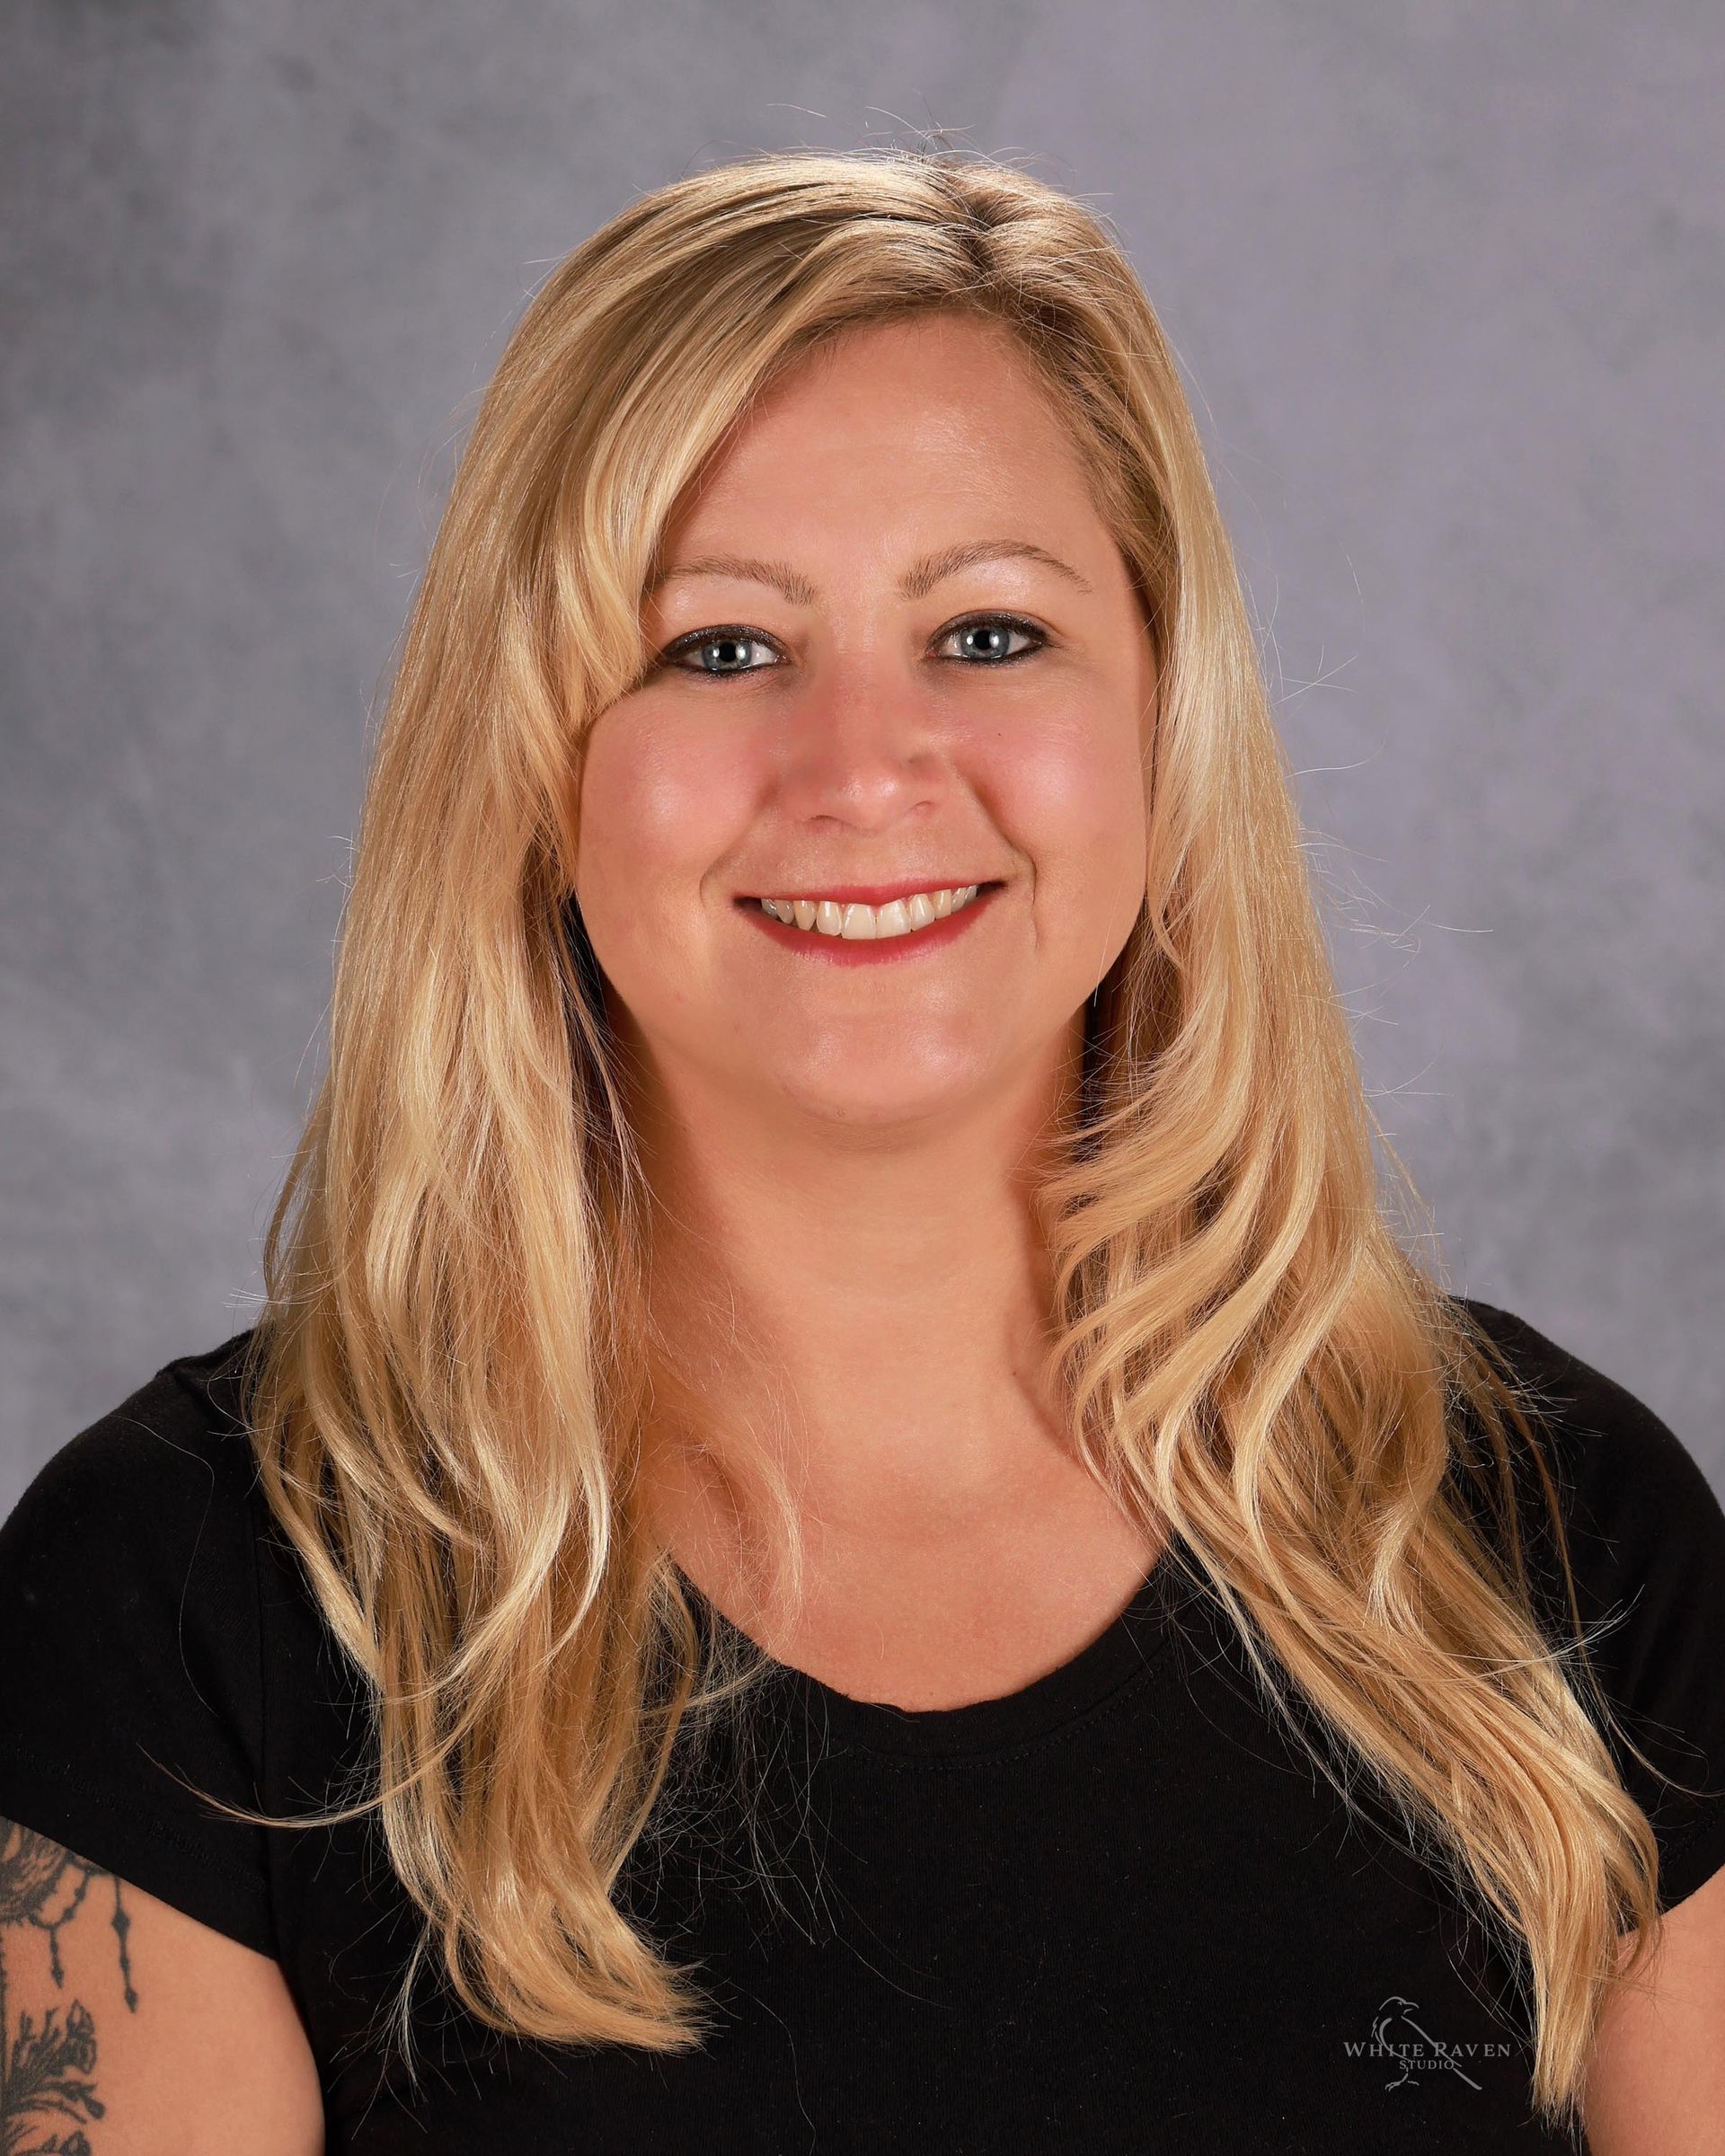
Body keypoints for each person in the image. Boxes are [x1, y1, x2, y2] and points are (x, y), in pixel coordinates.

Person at [0, 147, 1721, 2156]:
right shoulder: (186, 1604)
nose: (865, 769)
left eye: (989, 634)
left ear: (1165, 718)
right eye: (720, 647)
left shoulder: (1555, 1540)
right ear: (537, 767)